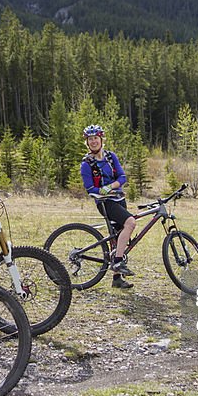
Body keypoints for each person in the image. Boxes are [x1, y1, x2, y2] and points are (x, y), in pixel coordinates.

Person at [80, 124, 136, 289]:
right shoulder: (86, 164)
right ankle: (118, 263)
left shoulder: (111, 157)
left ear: (101, 140)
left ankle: (117, 279)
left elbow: (122, 177)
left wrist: (111, 187)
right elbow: (90, 188)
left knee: (118, 238)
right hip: (105, 203)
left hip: (118, 199)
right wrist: (102, 191)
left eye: (96, 138)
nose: (94, 142)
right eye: (90, 139)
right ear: (88, 143)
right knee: (130, 223)